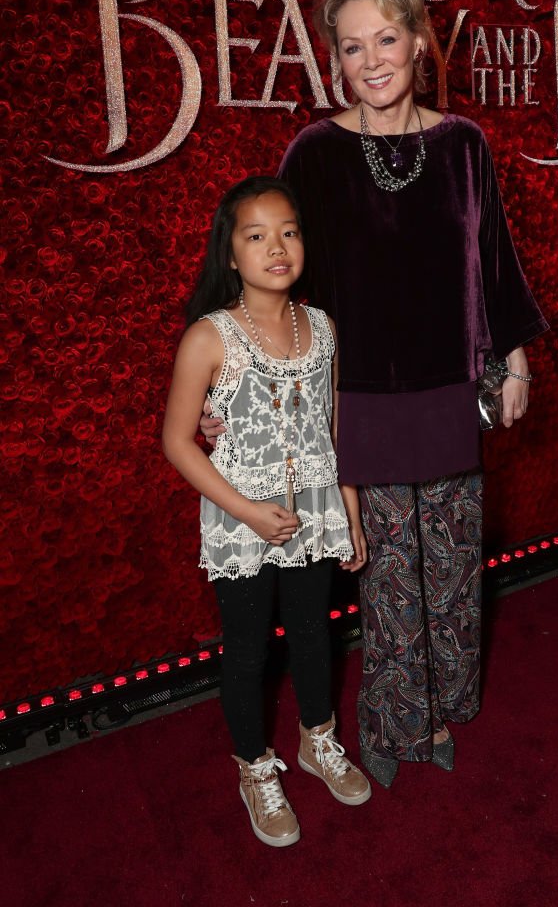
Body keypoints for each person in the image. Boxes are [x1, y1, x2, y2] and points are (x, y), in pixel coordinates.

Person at [202, 0, 548, 788]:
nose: (373, 59)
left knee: (454, 570)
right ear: (335, 59)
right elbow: (270, 273)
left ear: (420, 43)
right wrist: (224, 384)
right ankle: (397, 725)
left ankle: (446, 704)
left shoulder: (464, 144)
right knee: (386, 578)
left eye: (386, 38)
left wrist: (515, 358)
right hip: (354, 404)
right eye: (352, 47)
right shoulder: (314, 153)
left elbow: (491, 261)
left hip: (451, 392)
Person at [162, 176, 371, 848]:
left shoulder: (324, 327)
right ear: (229, 252)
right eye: (255, 236)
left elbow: (333, 429)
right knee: (248, 651)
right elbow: (175, 440)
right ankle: (254, 766)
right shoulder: (210, 335)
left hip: (313, 509)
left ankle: (318, 741)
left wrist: (349, 511)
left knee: (315, 633)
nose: (275, 247)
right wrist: (247, 512)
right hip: (239, 516)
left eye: (288, 231)